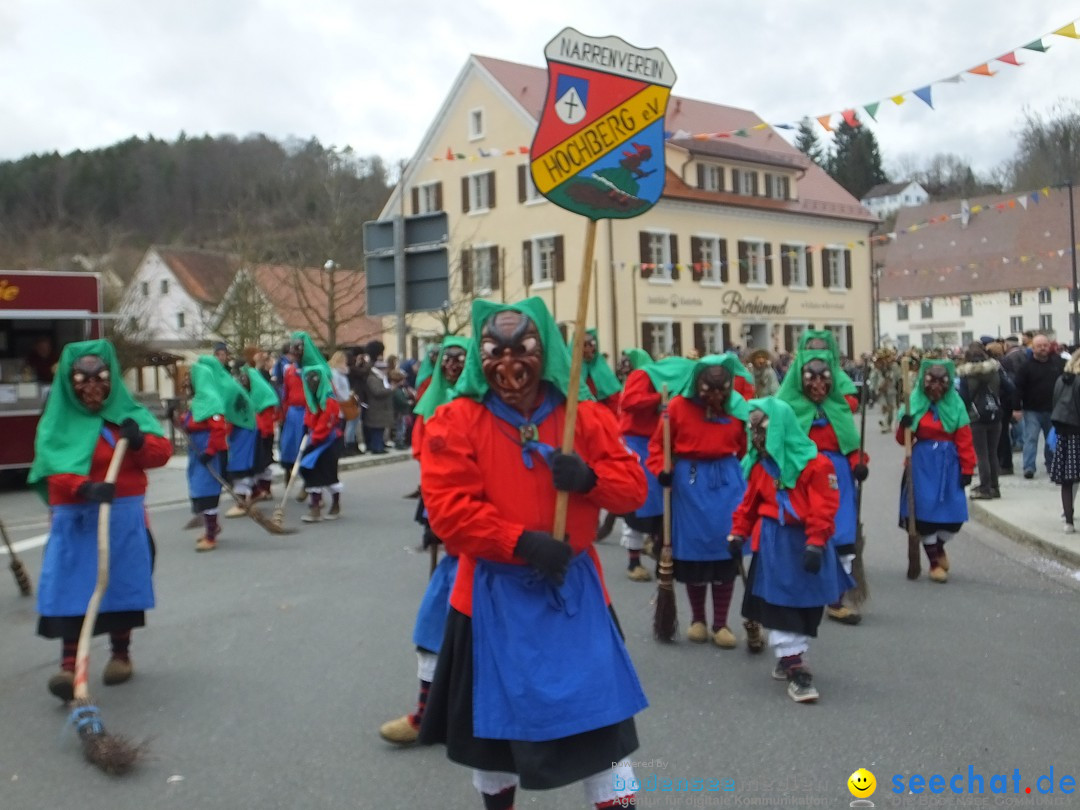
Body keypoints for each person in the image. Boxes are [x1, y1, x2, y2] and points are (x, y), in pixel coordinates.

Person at [419, 297, 648, 809]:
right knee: (493, 746)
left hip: (574, 594)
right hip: (490, 598)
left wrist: (591, 480)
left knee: (604, 739)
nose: (508, 365)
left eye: (522, 349)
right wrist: (519, 542)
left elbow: (634, 489)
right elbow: (448, 511)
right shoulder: (455, 421)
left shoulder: (581, 417)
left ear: (544, 352)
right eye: (493, 352)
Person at [29, 339, 172, 700]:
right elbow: (50, 467)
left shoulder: (127, 414)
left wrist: (138, 441)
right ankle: (68, 667)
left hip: (122, 518)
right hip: (76, 520)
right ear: (69, 381)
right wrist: (84, 487)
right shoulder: (57, 422)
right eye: (83, 379)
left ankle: (121, 656)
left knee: (120, 584)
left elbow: (160, 453)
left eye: (100, 378)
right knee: (71, 588)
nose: (92, 387)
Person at [379, 337, 470, 746]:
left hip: (497, 554)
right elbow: (432, 466)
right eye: (446, 359)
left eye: (459, 359)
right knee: (433, 626)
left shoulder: (485, 413)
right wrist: (437, 516)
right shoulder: (434, 404)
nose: (452, 365)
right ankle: (425, 714)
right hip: (455, 545)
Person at [729, 398, 844, 703]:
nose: (757, 438)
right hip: (775, 542)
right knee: (780, 603)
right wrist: (738, 533)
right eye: (752, 430)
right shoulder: (760, 467)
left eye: (763, 429)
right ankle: (796, 666)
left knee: (807, 604)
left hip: (806, 540)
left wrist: (817, 542)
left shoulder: (816, 464)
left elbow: (825, 505)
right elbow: (748, 505)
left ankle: (789, 655)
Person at [647, 353, 750, 647]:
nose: (716, 396)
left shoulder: (735, 409)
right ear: (698, 385)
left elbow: (744, 446)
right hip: (690, 482)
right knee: (694, 550)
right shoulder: (677, 407)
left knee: (725, 548)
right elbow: (657, 445)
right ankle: (697, 620)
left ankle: (720, 623)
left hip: (726, 481)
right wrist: (662, 470)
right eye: (710, 390)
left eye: (722, 390)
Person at [775, 341, 865, 626]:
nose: (817, 386)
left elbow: (850, 443)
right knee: (805, 532)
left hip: (837, 476)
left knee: (840, 534)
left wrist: (859, 463)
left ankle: (836, 599)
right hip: (803, 476)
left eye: (823, 379)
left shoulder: (837, 407)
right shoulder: (788, 409)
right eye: (810, 379)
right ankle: (804, 589)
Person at [897, 359, 976, 583]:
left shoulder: (956, 404)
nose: (936, 387)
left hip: (949, 464)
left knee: (954, 517)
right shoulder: (914, 402)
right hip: (921, 464)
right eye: (931, 381)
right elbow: (903, 440)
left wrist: (968, 467)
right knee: (925, 513)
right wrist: (905, 424)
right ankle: (933, 562)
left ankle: (938, 547)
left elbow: (965, 439)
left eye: (942, 382)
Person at [616, 350, 692, 582]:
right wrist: (659, 397)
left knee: (665, 501)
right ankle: (633, 561)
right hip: (637, 441)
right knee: (640, 500)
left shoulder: (682, 380)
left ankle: (660, 551)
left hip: (661, 441)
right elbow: (628, 402)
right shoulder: (643, 375)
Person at [180, 358, 230, 552]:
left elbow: (218, 430)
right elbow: (191, 423)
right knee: (197, 488)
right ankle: (212, 527)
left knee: (206, 490)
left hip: (208, 451)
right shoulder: (199, 402)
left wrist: (210, 451)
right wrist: (177, 418)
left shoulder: (212, 401)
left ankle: (211, 534)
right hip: (196, 452)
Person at [956, 342, 1012, 500]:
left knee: (981, 455)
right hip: (995, 415)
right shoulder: (996, 370)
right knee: (992, 453)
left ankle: (985, 488)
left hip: (976, 417)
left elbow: (964, 398)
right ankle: (995, 487)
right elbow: (1010, 388)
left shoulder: (966, 374)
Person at [1014, 334, 1066, 479]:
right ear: (1033, 348)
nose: (1043, 348)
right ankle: (1029, 467)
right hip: (1032, 410)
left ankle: (1053, 466)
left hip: (1054, 409)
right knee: (1031, 438)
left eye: (1045, 345)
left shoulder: (1058, 363)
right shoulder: (1026, 367)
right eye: (1039, 346)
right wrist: (1017, 408)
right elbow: (1018, 388)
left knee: (1053, 440)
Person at [298, 364, 343, 522]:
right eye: (309, 380)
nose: (312, 383)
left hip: (328, 441)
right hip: (314, 438)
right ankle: (315, 507)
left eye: (315, 379)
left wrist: (315, 437)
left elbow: (327, 422)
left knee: (329, 475)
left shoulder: (329, 400)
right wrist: (307, 429)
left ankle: (336, 504)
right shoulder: (312, 398)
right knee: (311, 472)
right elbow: (309, 415)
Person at [239, 360, 279, 504]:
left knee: (262, 463)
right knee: (259, 464)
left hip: (263, 434)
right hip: (256, 434)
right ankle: (261, 490)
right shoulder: (250, 394)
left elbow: (265, 420)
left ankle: (263, 490)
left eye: (245, 379)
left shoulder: (263, 396)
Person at [1050, 353, 1080, 533]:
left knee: (1068, 479)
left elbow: (1054, 403)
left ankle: (1068, 521)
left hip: (1065, 432)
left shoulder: (1061, 379)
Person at [361, 340, 394, 454]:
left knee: (379, 428)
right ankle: (375, 446)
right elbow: (376, 390)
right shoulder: (371, 374)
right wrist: (390, 389)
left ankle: (379, 445)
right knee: (375, 428)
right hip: (372, 405)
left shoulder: (374, 372)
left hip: (380, 407)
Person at [580, 329, 622, 414]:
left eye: (591, 345)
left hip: (600, 418)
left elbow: (613, 400)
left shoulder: (602, 370)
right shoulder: (569, 370)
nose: (587, 349)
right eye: (584, 345)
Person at [868, 348, 902, 433]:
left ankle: (887, 424)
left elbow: (899, 378)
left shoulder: (894, 366)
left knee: (890, 408)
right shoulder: (877, 367)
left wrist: (900, 392)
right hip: (880, 391)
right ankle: (885, 423)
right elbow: (873, 378)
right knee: (885, 407)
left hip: (891, 390)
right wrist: (875, 389)